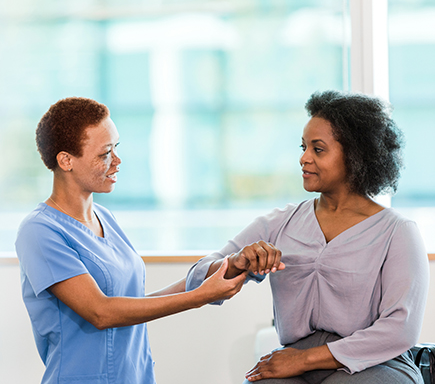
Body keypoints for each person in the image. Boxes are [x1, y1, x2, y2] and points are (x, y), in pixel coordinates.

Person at [185, 90, 430, 383]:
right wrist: (236, 263)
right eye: (303, 147)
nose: (303, 158)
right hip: (292, 358)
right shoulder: (281, 223)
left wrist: (304, 360)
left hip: (374, 363)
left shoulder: (397, 232)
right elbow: (197, 280)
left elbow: (399, 329)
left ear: (355, 154)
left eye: (318, 149)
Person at [15, 97, 258, 384]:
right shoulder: (39, 231)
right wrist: (197, 297)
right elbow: (101, 311)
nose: (116, 161)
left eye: (116, 148)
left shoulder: (106, 219)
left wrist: (213, 276)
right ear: (66, 160)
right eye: (105, 153)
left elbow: (132, 305)